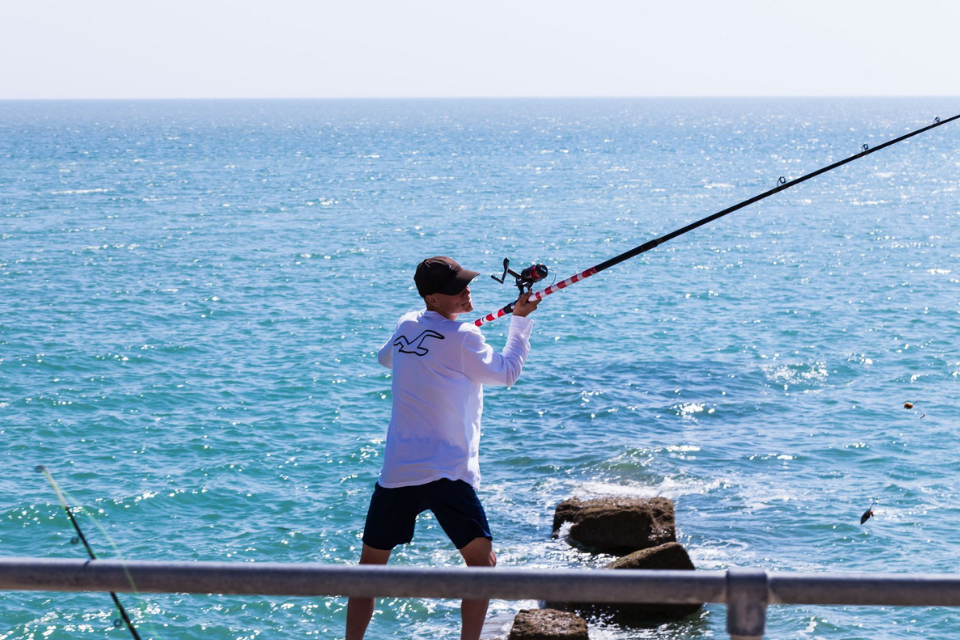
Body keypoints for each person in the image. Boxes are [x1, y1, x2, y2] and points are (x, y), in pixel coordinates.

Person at [345, 256, 540, 640]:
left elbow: (386, 358)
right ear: (433, 298)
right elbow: (507, 373)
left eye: (466, 282)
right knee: (482, 566)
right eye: (455, 289)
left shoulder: (408, 324)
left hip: (398, 470)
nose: (466, 290)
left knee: (368, 570)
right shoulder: (465, 337)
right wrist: (519, 321)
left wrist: (440, 342)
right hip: (447, 471)